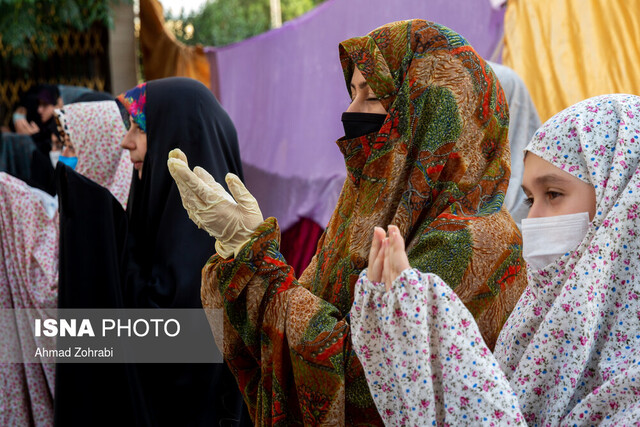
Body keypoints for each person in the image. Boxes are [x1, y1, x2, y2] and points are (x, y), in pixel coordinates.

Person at [168, 20, 527, 424]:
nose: (351, 111)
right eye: (353, 92)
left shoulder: (476, 240)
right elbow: (303, 314)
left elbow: (365, 387)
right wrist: (244, 256)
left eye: (372, 97)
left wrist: (258, 262)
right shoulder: (364, 209)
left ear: (429, 114)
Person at [350, 93, 640, 425]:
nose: (533, 218)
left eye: (554, 194)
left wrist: (438, 335)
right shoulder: (534, 319)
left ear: (623, 204)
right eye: (530, 199)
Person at [53, 77, 249, 426]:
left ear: (180, 137)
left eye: (139, 128)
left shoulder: (224, 252)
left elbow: (175, 343)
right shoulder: (151, 221)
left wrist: (101, 234)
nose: (126, 142)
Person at [0, 100, 131, 427]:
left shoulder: (121, 217)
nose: (64, 156)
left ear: (100, 146)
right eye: (62, 145)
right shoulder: (81, 211)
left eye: (72, 144)